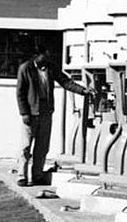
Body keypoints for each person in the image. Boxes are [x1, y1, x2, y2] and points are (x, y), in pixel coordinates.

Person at [16, 44, 92, 186]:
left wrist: (83, 91)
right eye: (44, 55)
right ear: (37, 55)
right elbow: (20, 93)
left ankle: (37, 175)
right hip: (31, 113)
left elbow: (65, 82)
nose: (47, 58)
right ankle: (22, 175)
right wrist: (24, 113)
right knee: (25, 146)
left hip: (46, 112)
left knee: (42, 147)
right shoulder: (25, 69)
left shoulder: (50, 67)